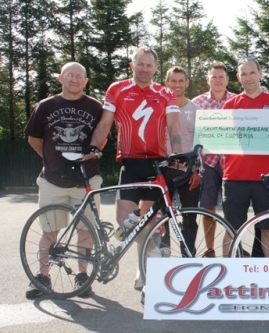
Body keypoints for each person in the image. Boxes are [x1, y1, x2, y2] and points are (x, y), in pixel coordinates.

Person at [84, 46, 182, 291]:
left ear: (156, 68)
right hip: (130, 163)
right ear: (132, 65)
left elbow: (174, 128)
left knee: (148, 222)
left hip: (156, 166)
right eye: (140, 64)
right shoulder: (117, 89)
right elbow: (105, 123)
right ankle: (151, 256)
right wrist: (94, 146)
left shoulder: (164, 92)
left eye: (149, 65)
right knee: (124, 220)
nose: (145, 69)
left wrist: (177, 154)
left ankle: (146, 269)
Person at [24, 62, 105, 299]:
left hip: (86, 180)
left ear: (86, 81)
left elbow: (102, 138)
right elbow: (34, 139)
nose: (74, 80)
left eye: (79, 76)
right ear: (61, 78)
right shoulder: (46, 106)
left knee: (86, 232)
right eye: (70, 75)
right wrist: (52, 159)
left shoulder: (95, 107)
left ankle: (83, 276)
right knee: (50, 232)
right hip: (52, 180)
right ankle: (43, 278)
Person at [221, 57, 269, 257]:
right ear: (238, 77)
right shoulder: (229, 105)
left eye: (252, 73)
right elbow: (219, 138)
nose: (248, 78)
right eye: (244, 74)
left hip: (266, 178)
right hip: (234, 178)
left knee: (268, 229)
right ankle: (227, 277)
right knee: (231, 229)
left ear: (260, 73)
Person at [192, 62, 236, 257]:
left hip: (231, 162)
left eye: (221, 77)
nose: (218, 80)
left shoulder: (237, 101)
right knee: (208, 206)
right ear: (207, 79)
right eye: (214, 76)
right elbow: (191, 132)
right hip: (207, 162)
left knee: (233, 208)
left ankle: (233, 245)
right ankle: (209, 248)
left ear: (227, 79)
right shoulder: (197, 103)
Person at [163, 65, 202, 256]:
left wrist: (198, 170)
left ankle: (188, 257)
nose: (177, 85)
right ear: (166, 82)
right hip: (163, 169)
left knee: (189, 218)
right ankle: (162, 258)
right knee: (162, 217)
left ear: (187, 83)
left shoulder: (196, 110)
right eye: (173, 81)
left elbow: (202, 145)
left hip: (189, 171)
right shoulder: (158, 107)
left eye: (181, 81)